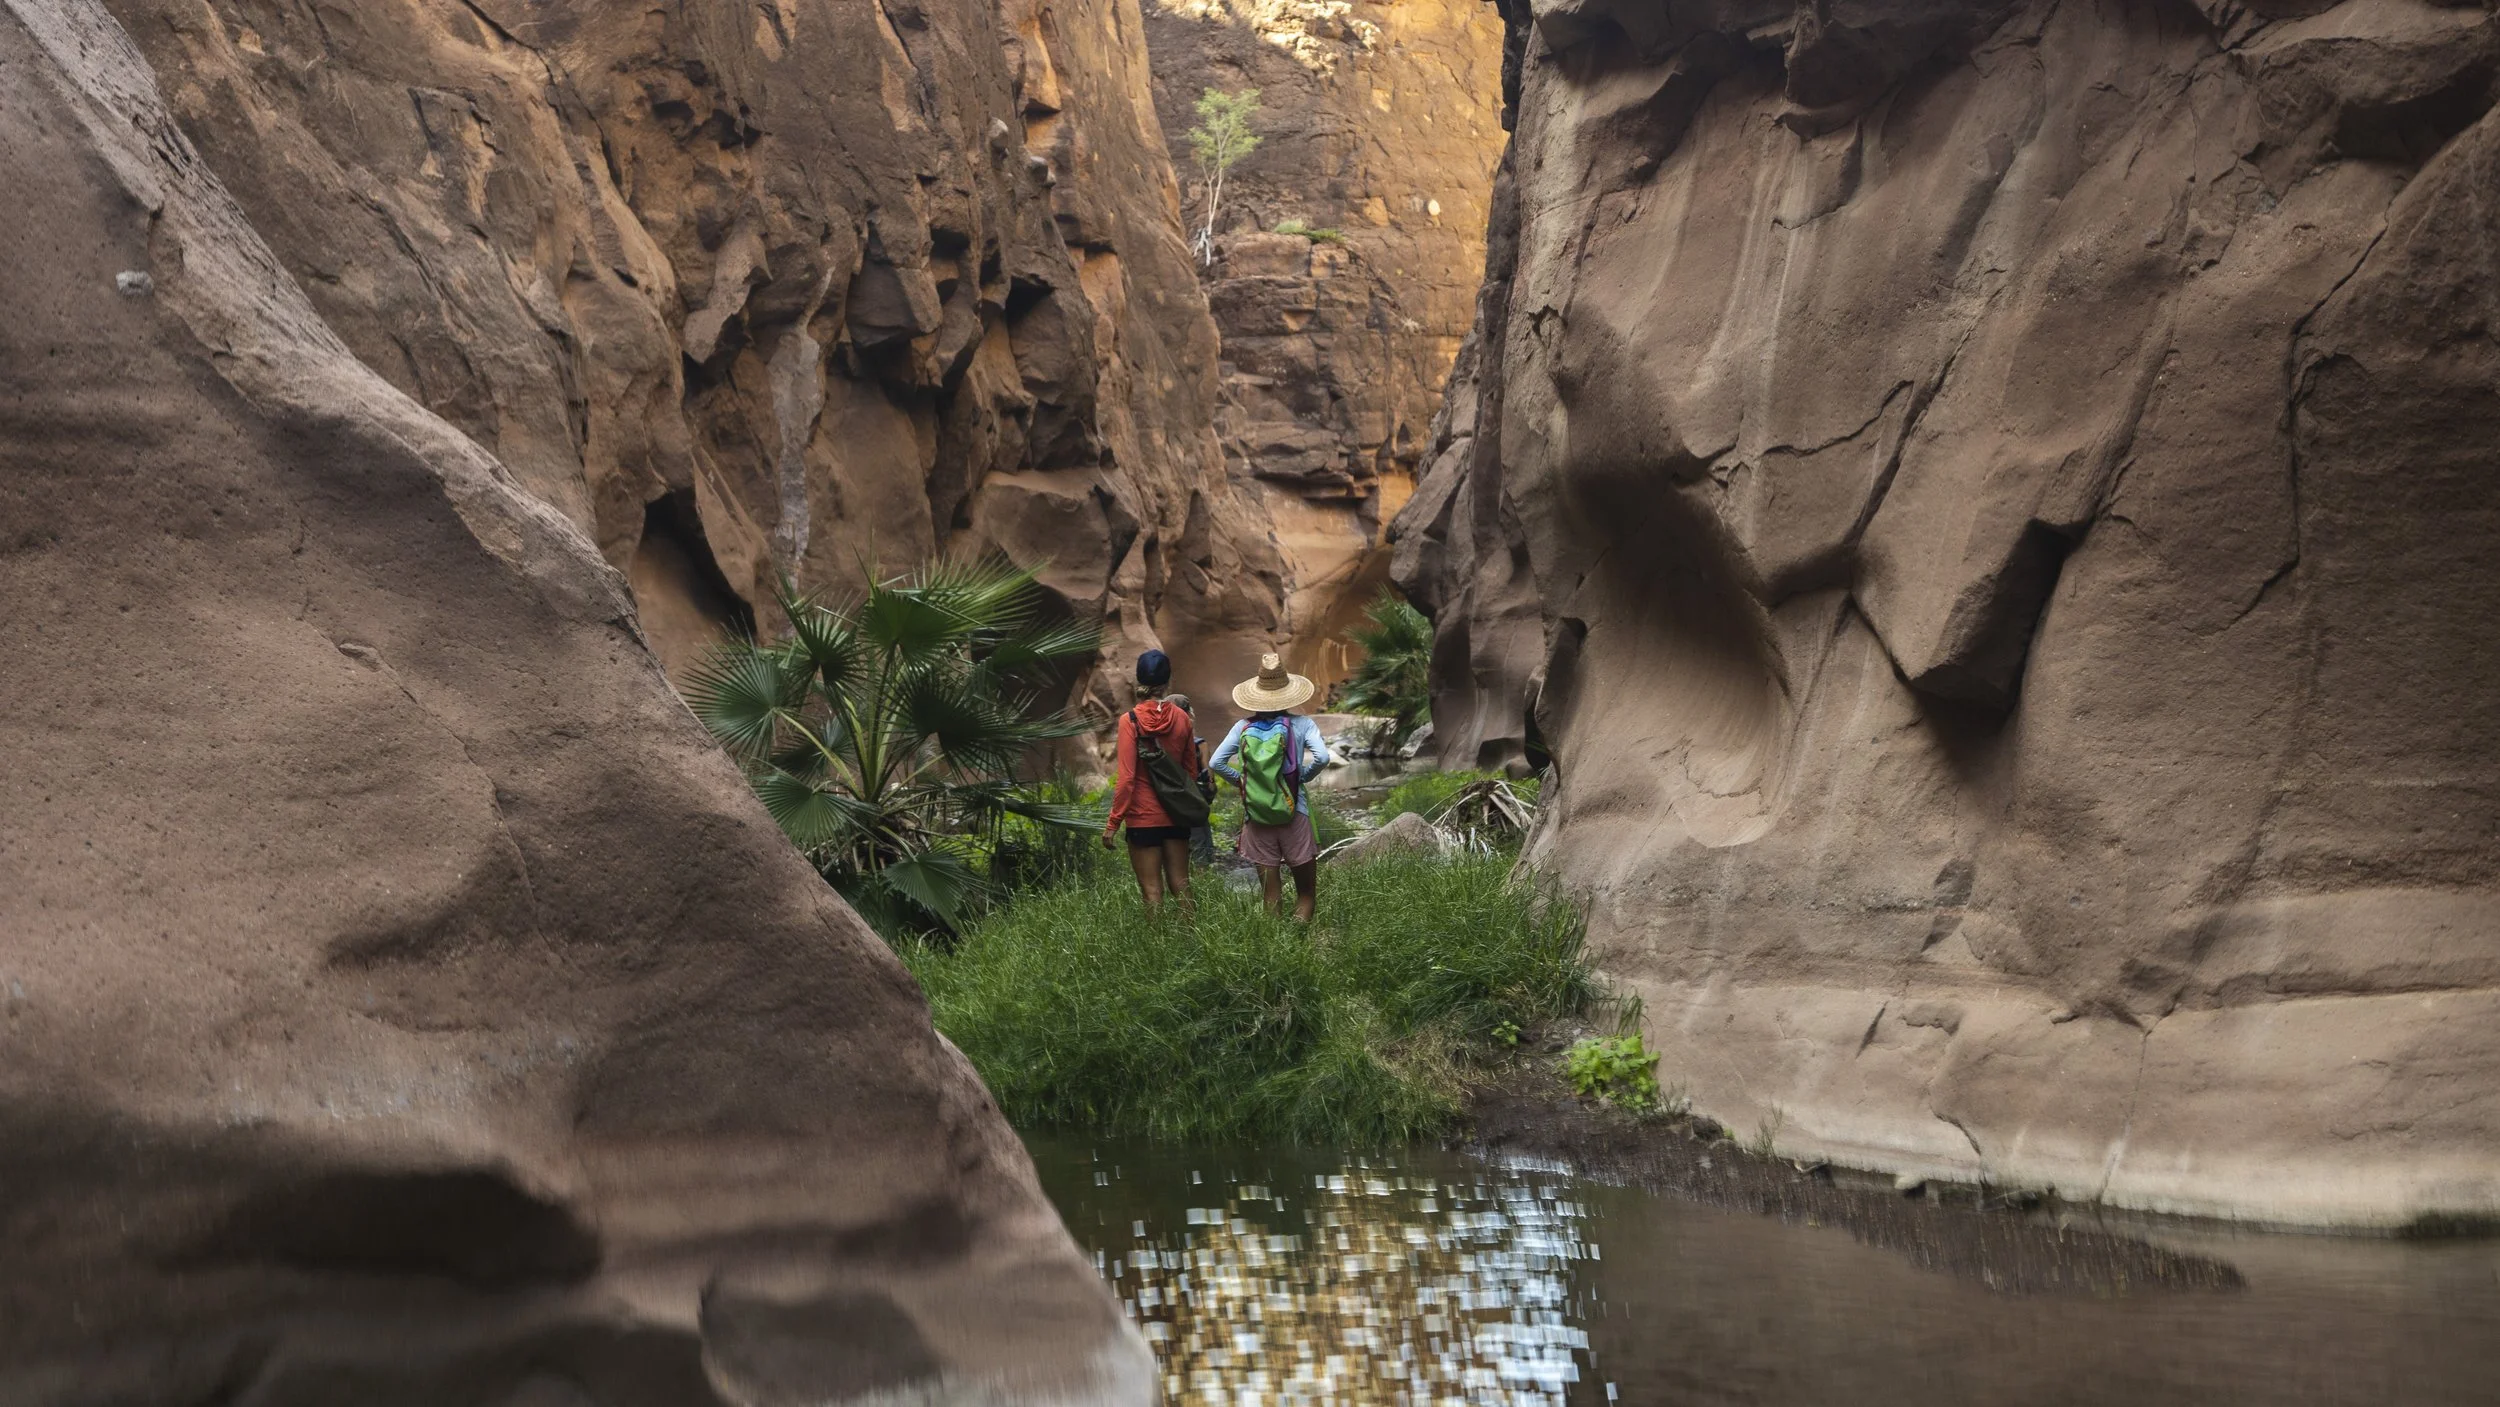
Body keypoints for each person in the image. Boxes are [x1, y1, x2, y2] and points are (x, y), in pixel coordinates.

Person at [1209, 653, 1333, 920]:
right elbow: (1323, 757)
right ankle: (1298, 948)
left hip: (1256, 814)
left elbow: (1216, 762)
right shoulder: (1302, 724)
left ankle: (1275, 951)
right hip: (1294, 811)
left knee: (1270, 894)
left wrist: (1243, 783)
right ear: (1288, 692)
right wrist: (1303, 777)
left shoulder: (1242, 726)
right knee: (1306, 893)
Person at [1102, 649, 1201, 912]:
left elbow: (1126, 778)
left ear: (1138, 680)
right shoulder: (1182, 718)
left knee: (1151, 891)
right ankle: (1190, 944)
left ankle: (1158, 951)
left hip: (1142, 818)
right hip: (1176, 815)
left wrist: (1113, 823)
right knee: (1181, 886)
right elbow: (1190, 772)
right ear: (1168, 681)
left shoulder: (1129, 721)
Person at [1165, 692, 1220, 868]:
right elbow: (1209, 780)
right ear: (1189, 714)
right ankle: (1201, 884)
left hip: (1167, 804)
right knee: (1200, 851)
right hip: (1193, 805)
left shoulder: (1158, 742)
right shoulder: (1199, 744)